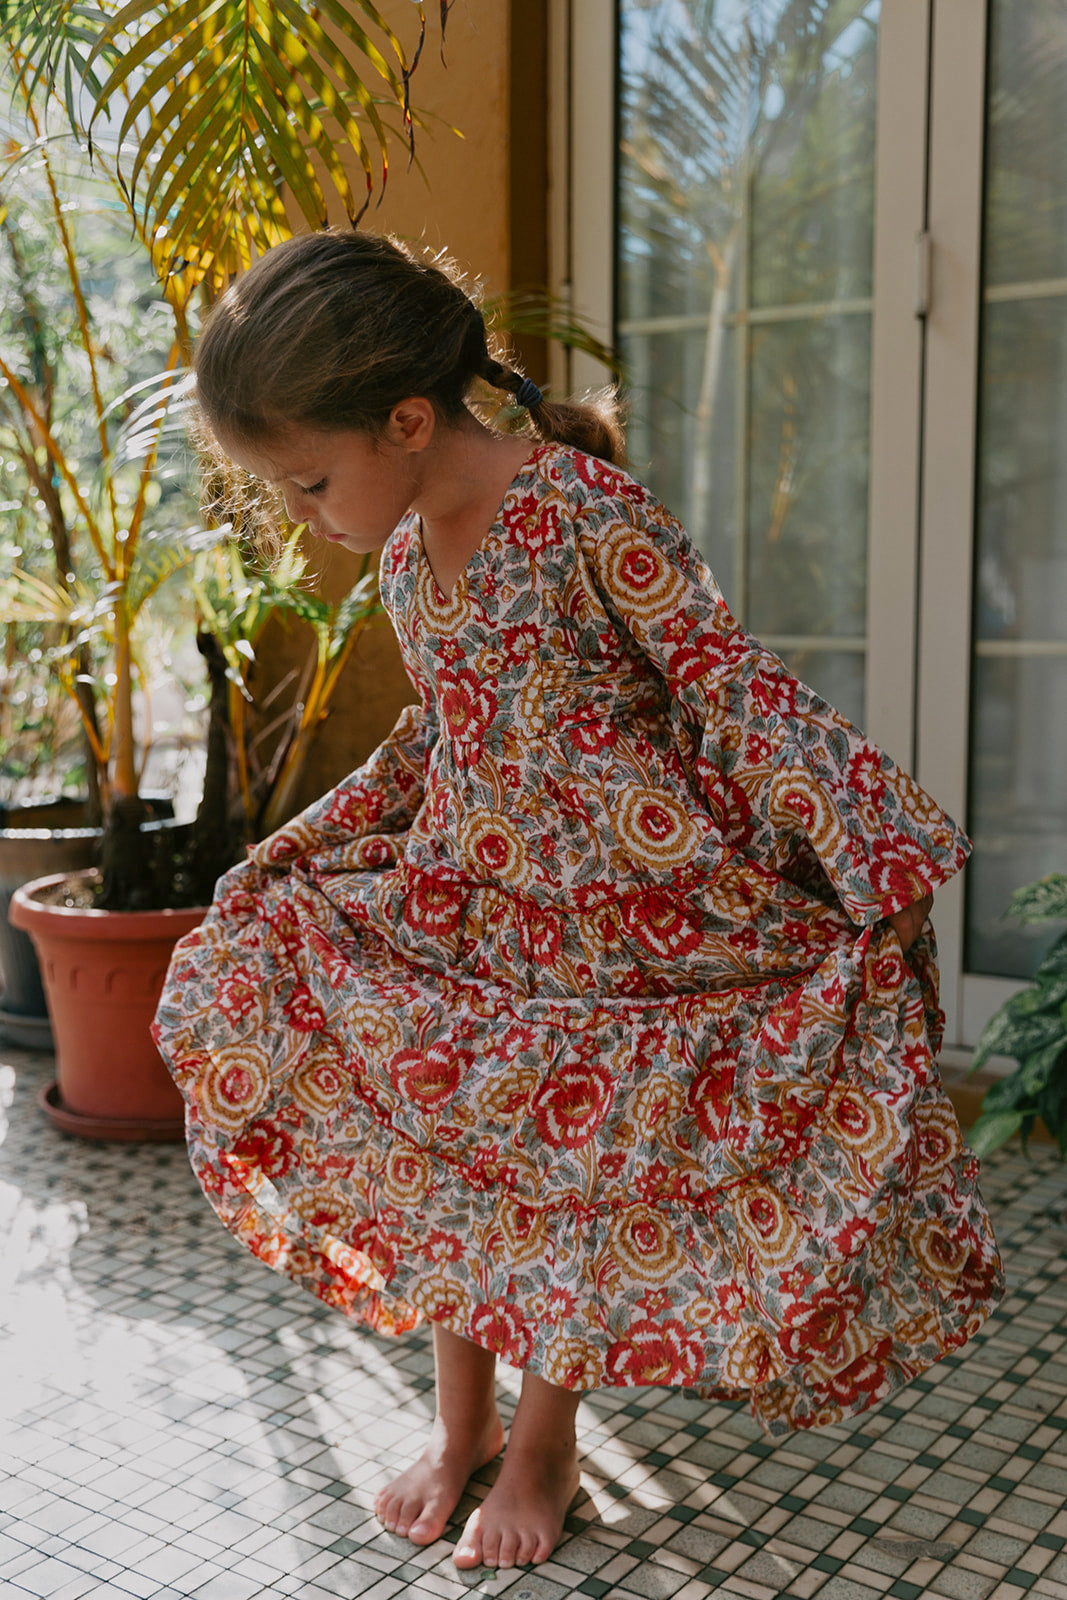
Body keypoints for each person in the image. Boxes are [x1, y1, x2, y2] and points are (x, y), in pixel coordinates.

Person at [154, 228, 1003, 1573]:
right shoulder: (404, 563)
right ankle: (460, 1427)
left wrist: (864, 846)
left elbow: (731, 685)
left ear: (410, 419)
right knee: (457, 1161)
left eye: (311, 482)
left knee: (574, 1186)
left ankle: (544, 1444)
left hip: (620, 926)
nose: (307, 517)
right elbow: (432, 743)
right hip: (469, 915)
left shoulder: (583, 516)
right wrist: (298, 851)